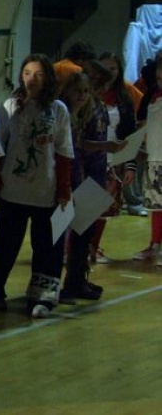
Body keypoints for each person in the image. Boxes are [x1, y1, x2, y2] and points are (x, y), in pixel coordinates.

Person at [0, 54, 74, 319]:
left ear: (48, 78)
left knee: (47, 248)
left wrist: (64, 188)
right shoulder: (10, 106)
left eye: (39, 74)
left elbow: (65, 151)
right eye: (27, 73)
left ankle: (42, 298)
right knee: (5, 246)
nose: (32, 79)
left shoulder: (58, 110)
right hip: (13, 190)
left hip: (46, 191)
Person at [59, 65, 123, 302]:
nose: (92, 92)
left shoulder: (96, 108)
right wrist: (106, 147)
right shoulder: (70, 112)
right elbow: (81, 144)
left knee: (86, 234)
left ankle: (77, 280)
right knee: (70, 233)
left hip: (94, 173)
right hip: (79, 176)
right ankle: (64, 284)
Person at [91, 52, 143, 264]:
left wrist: (130, 166)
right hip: (89, 158)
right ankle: (71, 249)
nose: (108, 73)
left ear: (119, 71)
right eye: (105, 68)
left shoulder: (124, 99)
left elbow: (129, 134)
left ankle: (93, 247)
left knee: (103, 208)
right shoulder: (88, 95)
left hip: (113, 161)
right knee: (83, 207)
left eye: (113, 68)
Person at [132, 57, 162, 265]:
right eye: (159, 78)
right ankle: (154, 245)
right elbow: (143, 124)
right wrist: (141, 147)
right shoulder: (151, 96)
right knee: (156, 205)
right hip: (154, 159)